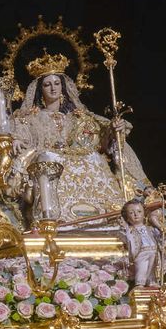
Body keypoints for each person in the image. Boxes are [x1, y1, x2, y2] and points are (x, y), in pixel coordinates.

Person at [8, 53, 155, 226]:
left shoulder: (79, 117)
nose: (53, 88)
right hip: (49, 160)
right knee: (46, 159)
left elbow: (101, 139)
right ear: (41, 90)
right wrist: (16, 139)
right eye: (48, 85)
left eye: (57, 84)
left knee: (95, 158)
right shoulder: (30, 118)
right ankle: (53, 216)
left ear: (63, 87)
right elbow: (21, 134)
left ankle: (109, 213)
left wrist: (113, 130)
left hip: (79, 157)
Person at [119, 199, 166, 288]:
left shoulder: (150, 229)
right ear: (127, 218)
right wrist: (125, 228)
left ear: (144, 213)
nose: (136, 214)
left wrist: (163, 231)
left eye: (139, 211)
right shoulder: (130, 230)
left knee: (152, 268)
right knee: (142, 268)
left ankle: (151, 281)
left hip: (153, 250)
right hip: (140, 253)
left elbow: (160, 237)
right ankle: (140, 283)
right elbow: (126, 237)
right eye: (131, 213)